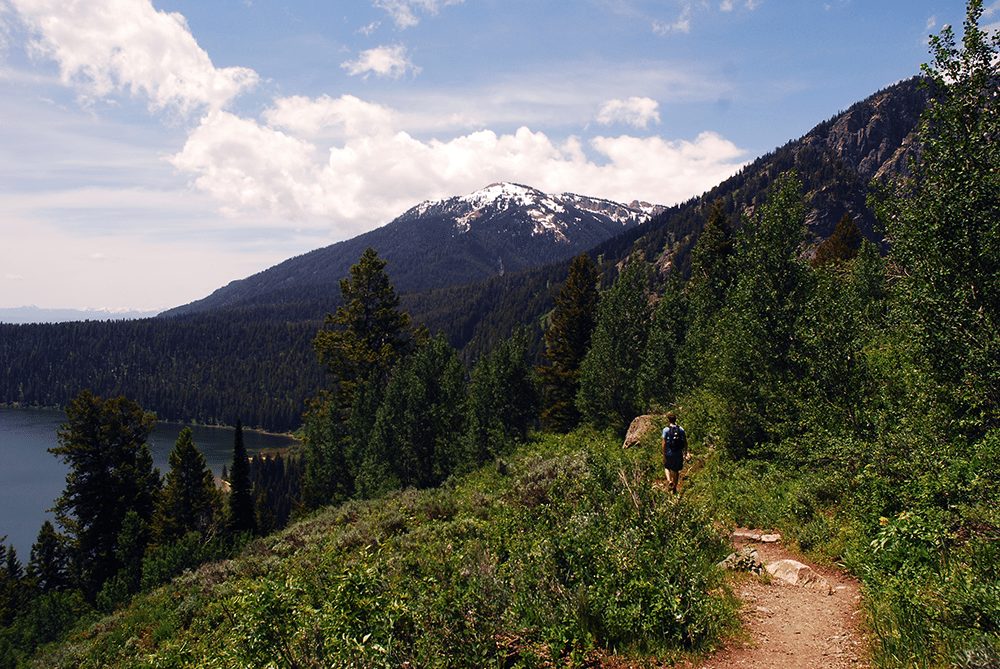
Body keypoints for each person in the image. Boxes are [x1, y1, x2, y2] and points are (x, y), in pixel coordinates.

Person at [661, 412, 689, 494]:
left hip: (669, 452)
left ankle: (669, 480)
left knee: (666, 467)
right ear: (675, 419)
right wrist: (685, 452)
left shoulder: (666, 430)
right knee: (676, 470)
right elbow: (685, 442)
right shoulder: (681, 429)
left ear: (668, 420)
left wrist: (664, 454)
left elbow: (663, 443)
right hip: (678, 453)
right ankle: (674, 488)